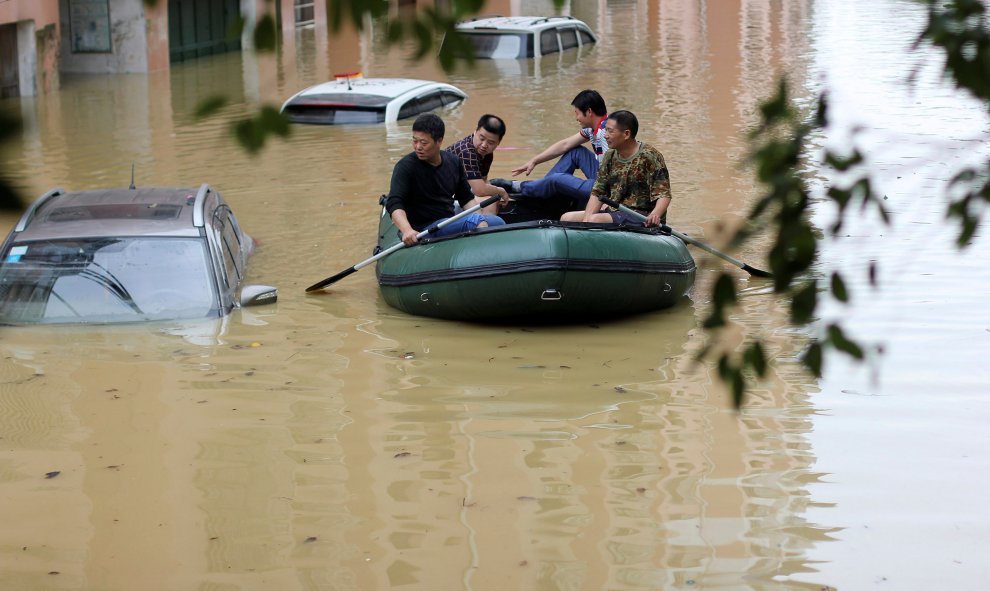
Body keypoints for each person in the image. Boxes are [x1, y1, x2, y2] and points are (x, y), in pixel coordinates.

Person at [385, 113, 505, 246]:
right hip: (424, 228)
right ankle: (484, 254)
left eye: (424, 142)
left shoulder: (453, 162)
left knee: (499, 223)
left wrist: (480, 217)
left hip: (446, 220)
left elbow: (466, 199)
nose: (418, 147)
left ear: (439, 141)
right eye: (415, 141)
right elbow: (395, 203)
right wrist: (407, 230)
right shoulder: (405, 167)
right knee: (475, 221)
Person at [490, 89, 608, 208]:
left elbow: (615, 173)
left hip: (607, 187)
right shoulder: (593, 129)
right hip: (602, 175)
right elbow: (565, 144)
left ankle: (522, 187)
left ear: (589, 112)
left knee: (556, 179)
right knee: (575, 152)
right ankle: (542, 189)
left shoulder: (606, 134)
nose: (576, 118)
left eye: (577, 113)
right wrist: (535, 160)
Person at [561, 110, 672, 227]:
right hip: (616, 210)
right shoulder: (610, 156)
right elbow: (598, 191)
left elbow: (663, 194)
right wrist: (586, 220)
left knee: (594, 220)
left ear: (626, 134)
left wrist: (655, 215)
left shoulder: (650, 156)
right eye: (605, 130)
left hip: (641, 214)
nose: (605, 135)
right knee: (567, 218)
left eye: (610, 131)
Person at [446, 114, 511, 216]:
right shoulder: (466, 152)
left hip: (460, 193)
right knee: (490, 202)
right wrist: (501, 191)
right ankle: (485, 229)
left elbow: (484, 180)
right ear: (475, 131)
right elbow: (479, 190)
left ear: (498, 142)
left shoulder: (486, 154)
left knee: (493, 199)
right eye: (481, 138)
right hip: (443, 198)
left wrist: (496, 194)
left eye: (491, 142)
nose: (484, 145)